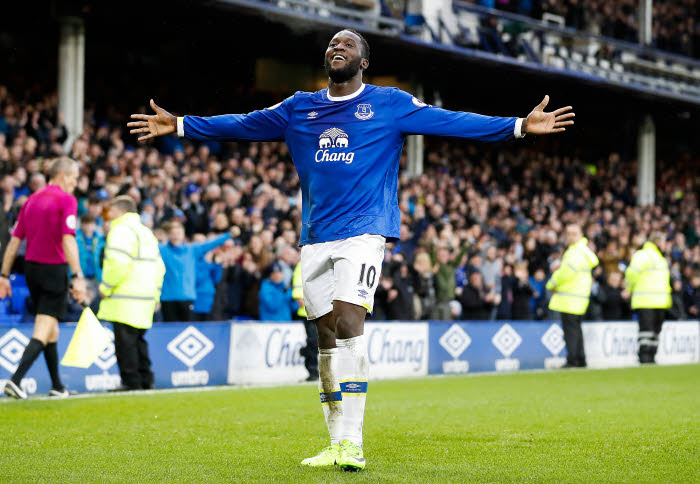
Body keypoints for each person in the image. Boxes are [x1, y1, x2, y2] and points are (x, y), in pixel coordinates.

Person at [128, 28, 574, 471]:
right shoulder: (299, 107)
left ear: (364, 62)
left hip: (364, 231)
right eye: (332, 44)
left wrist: (517, 126)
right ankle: (336, 441)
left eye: (348, 44)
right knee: (325, 335)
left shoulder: (389, 103)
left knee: (348, 318)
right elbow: (243, 124)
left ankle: (354, 444)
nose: (337, 47)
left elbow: (451, 121)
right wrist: (182, 125)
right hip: (315, 235)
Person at [0, 157, 87, 399]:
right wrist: (78, 276)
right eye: (74, 178)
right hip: (53, 270)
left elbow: (14, 241)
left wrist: (4, 275)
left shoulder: (30, 200)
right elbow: (68, 239)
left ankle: (57, 385)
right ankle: (15, 380)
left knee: (51, 329)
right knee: (44, 327)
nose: (75, 184)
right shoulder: (66, 200)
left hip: (31, 270)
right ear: (62, 176)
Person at [97, 196, 165, 390]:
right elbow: (159, 267)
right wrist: (156, 295)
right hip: (145, 297)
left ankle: (131, 381)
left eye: (110, 210)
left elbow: (118, 264)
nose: (108, 215)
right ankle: (146, 379)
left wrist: (105, 287)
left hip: (125, 297)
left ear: (120, 211)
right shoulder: (146, 232)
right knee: (139, 340)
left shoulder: (120, 230)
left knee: (125, 343)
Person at [546, 224, 599, 368]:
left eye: (574, 233)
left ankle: (572, 360)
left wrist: (551, 283)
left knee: (570, 331)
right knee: (576, 329)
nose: (570, 236)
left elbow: (565, 273)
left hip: (569, 297)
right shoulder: (584, 251)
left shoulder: (575, 252)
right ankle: (580, 359)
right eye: (568, 233)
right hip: (579, 297)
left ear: (581, 235)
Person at [158, 221, 233, 322]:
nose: (176, 236)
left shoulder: (192, 249)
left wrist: (229, 234)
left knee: (187, 328)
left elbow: (211, 243)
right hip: (167, 298)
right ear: (169, 235)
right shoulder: (162, 250)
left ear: (183, 235)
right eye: (173, 233)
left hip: (187, 297)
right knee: (169, 329)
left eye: (178, 233)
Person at [624, 233, 672, 364]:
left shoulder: (660, 258)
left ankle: (651, 357)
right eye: (664, 242)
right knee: (646, 332)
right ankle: (645, 358)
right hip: (645, 301)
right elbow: (631, 273)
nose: (665, 245)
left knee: (655, 332)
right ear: (657, 241)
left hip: (660, 302)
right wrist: (629, 288)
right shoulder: (643, 255)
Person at [294, 261, 319, 381]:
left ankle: (305, 351)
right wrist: (300, 298)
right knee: (314, 341)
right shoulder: (303, 262)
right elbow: (298, 284)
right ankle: (313, 371)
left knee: (319, 342)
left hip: (322, 310)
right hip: (307, 311)